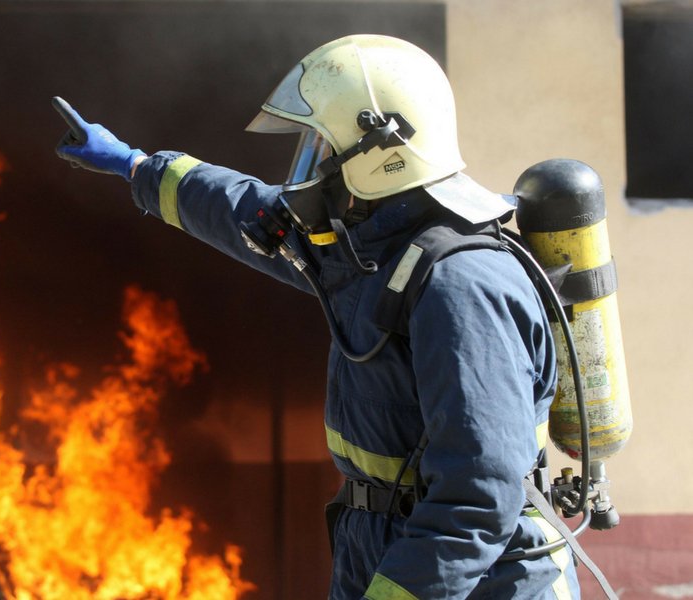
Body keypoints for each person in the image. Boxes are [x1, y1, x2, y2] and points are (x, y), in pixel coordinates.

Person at [54, 34, 580, 600]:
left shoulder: (460, 285)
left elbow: (477, 498)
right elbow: (247, 214)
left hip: (479, 579)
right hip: (385, 542)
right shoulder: (372, 249)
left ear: (381, 153)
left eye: (322, 149)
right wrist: (136, 167)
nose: (309, 168)